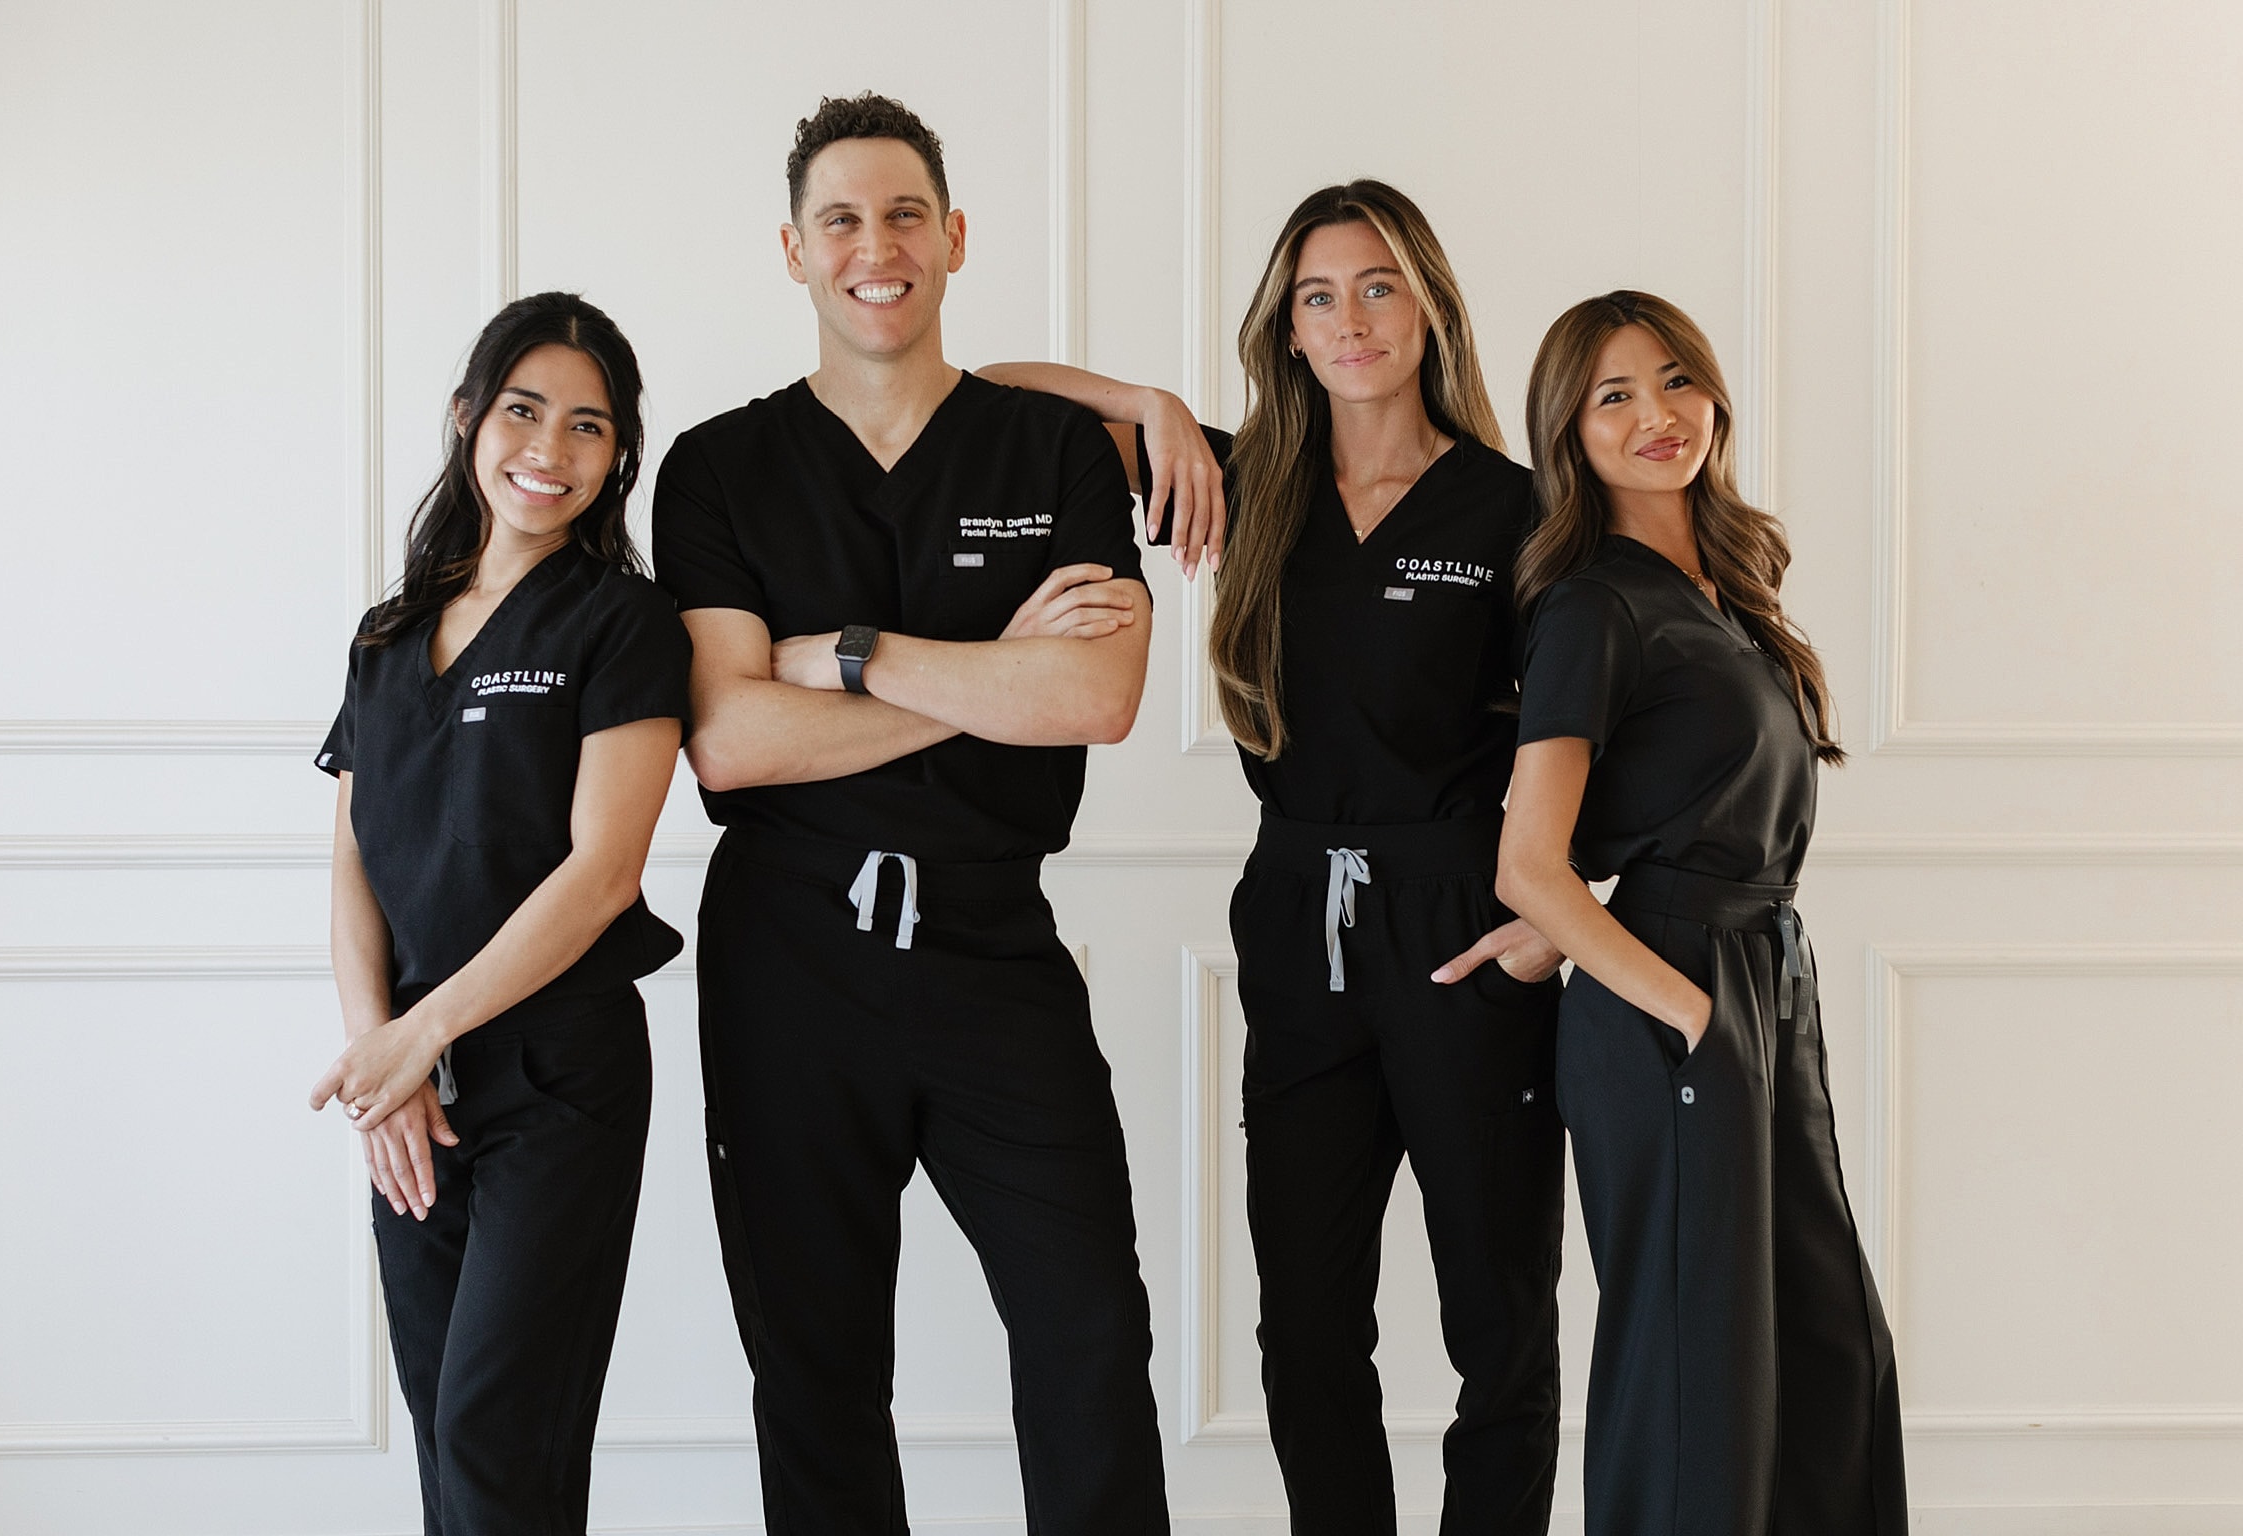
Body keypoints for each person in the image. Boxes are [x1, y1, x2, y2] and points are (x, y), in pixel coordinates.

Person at [986, 179, 1566, 1535]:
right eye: (1318, 294)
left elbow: (1597, 722)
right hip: (1298, 919)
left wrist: (1558, 912)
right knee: (1305, 1325)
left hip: (1468, 919)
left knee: (1500, 1321)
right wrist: (1158, 409)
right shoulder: (1242, 483)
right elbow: (990, 398)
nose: (1352, 318)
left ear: (1427, 305)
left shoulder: (1516, 507)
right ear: (1285, 327)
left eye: (1377, 286)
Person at [650, 93, 1173, 1535]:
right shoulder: (719, 465)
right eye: (840, 220)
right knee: (813, 1371)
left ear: (953, 238)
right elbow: (734, 741)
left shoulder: (1053, 449)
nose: (873, 247)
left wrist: (859, 655)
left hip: (995, 948)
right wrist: (995, 672)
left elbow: (1100, 700)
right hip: (790, 960)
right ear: (793, 249)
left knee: (1088, 1341)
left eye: (901, 215)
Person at [1497, 289, 1907, 1534]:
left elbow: (1658, 808)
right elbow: (1532, 862)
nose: (1656, 415)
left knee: (1822, 1346)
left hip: (1766, 976)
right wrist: (1683, 1006)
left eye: (1675, 380)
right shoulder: (1593, 607)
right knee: (1694, 1372)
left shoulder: (1724, 592)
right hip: (1680, 998)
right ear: (1569, 432)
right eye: (1612, 395)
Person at [307, 292, 693, 1536]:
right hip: (413, 1090)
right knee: (445, 1432)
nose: (551, 449)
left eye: (590, 426)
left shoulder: (623, 623)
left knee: (498, 1422)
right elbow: (355, 861)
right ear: (469, 418)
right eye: (524, 411)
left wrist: (422, 1037)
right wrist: (388, 1063)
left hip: (556, 1077)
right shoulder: (388, 636)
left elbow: (602, 873)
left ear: (618, 454)